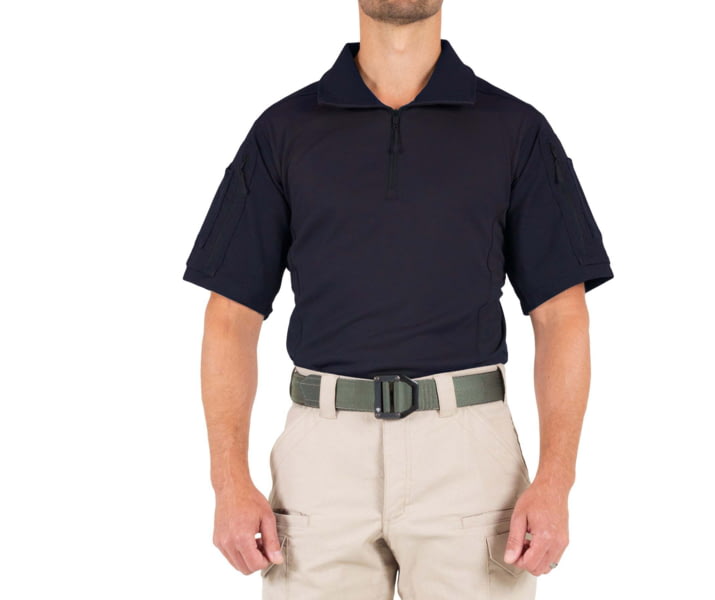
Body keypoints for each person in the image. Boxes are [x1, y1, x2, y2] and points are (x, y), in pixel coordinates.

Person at [182, 1, 614, 598]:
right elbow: (230, 317)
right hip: (321, 459)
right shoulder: (283, 131)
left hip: (469, 459)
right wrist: (228, 481)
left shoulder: (515, 130)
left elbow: (562, 316)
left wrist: (556, 481)